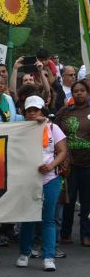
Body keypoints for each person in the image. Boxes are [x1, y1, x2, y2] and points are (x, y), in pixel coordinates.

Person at [16, 96, 67, 272]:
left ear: (42, 111)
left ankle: (49, 256)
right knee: (28, 217)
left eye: (35, 110)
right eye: (29, 110)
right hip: (27, 179)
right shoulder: (19, 129)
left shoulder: (53, 127)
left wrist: (51, 166)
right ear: (24, 113)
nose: (32, 113)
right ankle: (24, 253)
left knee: (48, 219)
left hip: (50, 178)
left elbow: (62, 151)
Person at [56, 80, 90, 246]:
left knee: (87, 202)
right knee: (68, 201)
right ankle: (65, 233)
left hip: (88, 165)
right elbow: (54, 133)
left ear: (87, 93)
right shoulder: (64, 111)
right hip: (69, 165)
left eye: (82, 90)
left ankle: (86, 234)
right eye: (76, 91)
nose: (79, 93)